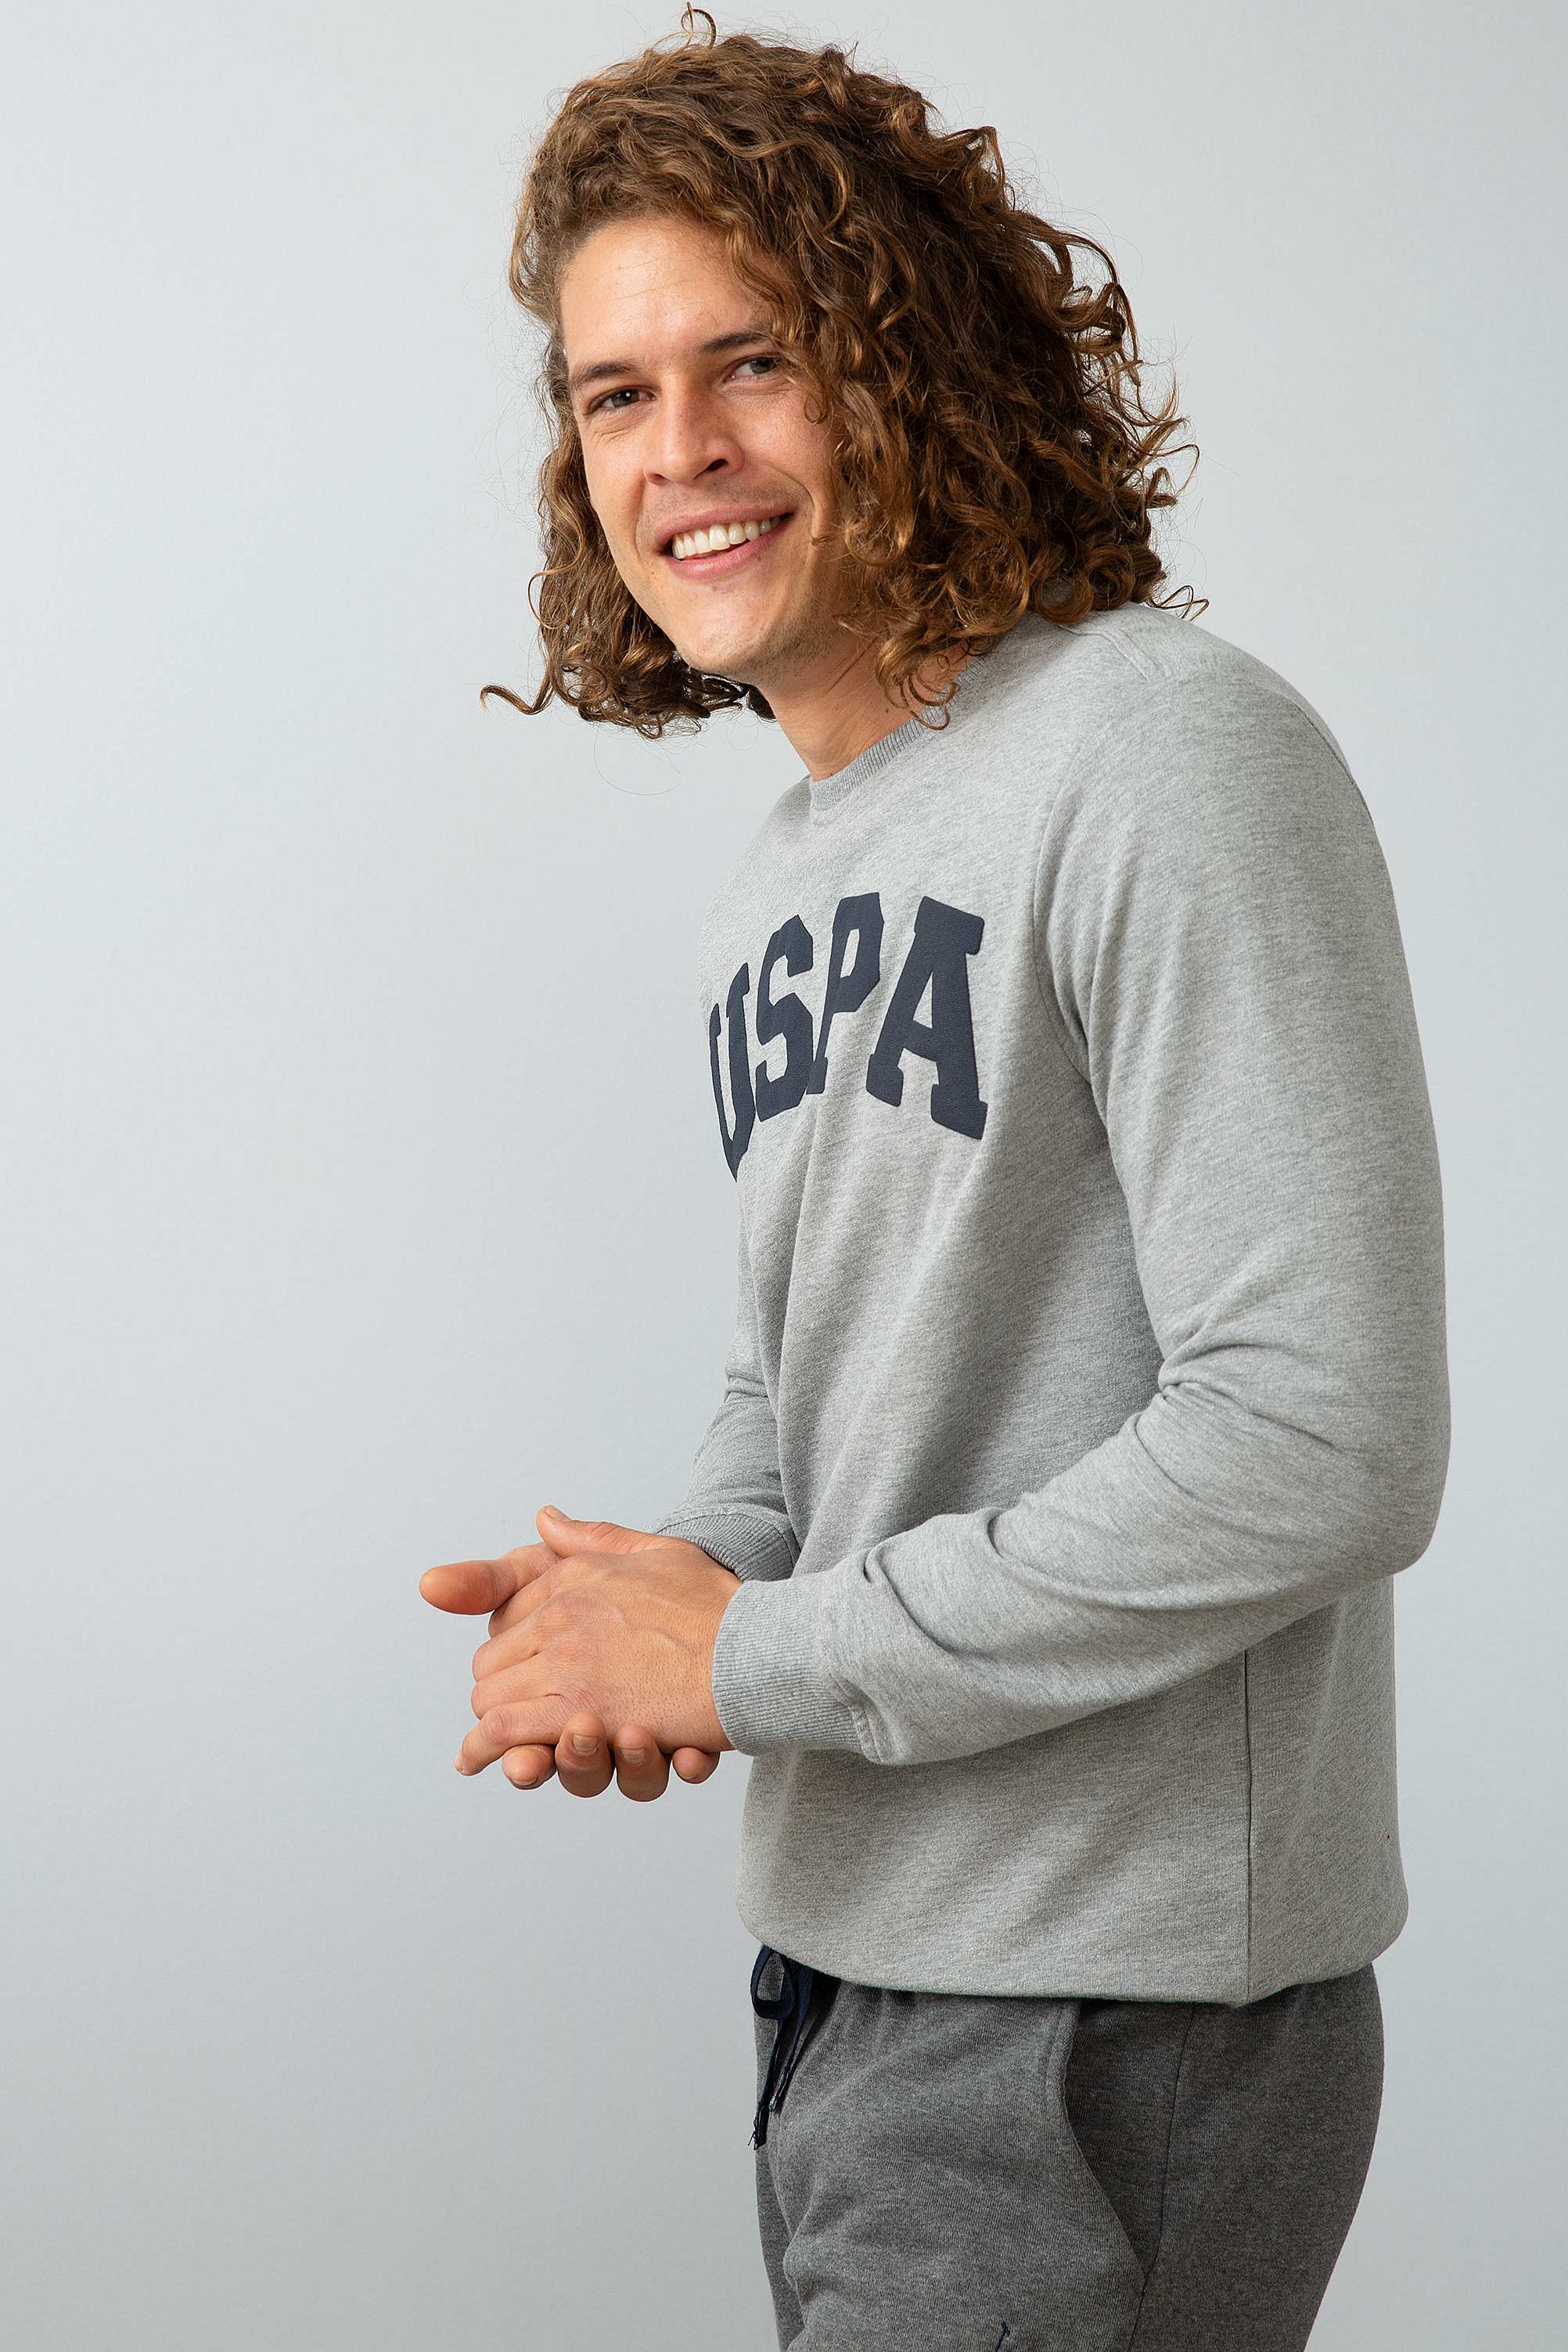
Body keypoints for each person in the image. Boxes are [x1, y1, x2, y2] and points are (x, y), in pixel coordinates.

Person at [419, 13, 1451, 2347]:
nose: (679, 449)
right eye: (613, 391)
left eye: (752, 360)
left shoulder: (1165, 752)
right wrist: (670, 1586)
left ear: (909, 365)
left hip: (1107, 2010)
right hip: (847, 1973)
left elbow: (1326, 1434)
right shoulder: (790, 869)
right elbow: (813, 1374)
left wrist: (748, 1653)